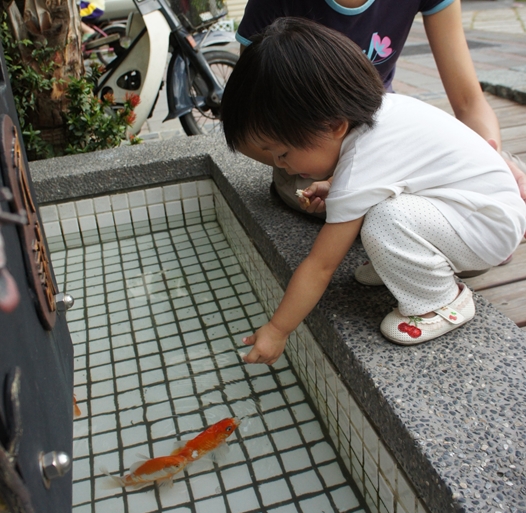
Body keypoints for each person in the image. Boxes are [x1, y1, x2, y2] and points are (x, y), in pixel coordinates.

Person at [220, 18, 526, 363]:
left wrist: (278, 330)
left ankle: (440, 300)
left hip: (489, 226)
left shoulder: (365, 153)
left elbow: (321, 265)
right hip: (479, 208)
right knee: (380, 212)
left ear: (334, 125)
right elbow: (393, 172)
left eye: (282, 152)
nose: (281, 166)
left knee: (385, 219)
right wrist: (335, 186)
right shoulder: (379, 116)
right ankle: (407, 267)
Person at [234, 0, 526, 215]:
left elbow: (469, 101)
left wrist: (490, 157)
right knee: (373, 210)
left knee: (504, 177)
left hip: (385, 133)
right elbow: (246, 126)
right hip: (311, 152)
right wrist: (343, 171)